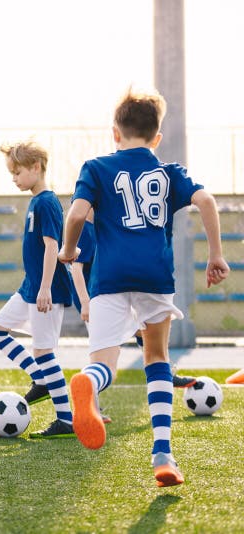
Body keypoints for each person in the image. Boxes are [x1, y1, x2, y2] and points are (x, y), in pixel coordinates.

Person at [59, 88, 230, 487]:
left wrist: (69, 251)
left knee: (104, 362)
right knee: (156, 357)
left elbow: (77, 214)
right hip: (155, 277)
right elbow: (206, 201)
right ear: (157, 137)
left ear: (115, 133)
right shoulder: (169, 172)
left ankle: (90, 381)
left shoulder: (97, 167)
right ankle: (162, 455)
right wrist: (215, 255)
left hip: (110, 278)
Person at [0, 141, 75, 439]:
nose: (14, 179)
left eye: (18, 172)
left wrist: (46, 287)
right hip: (30, 288)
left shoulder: (47, 202)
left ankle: (66, 419)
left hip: (44, 290)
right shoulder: (35, 201)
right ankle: (41, 379)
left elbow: (53, 247)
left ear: (36, 168)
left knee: (44, 352)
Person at [69, 208, 197, 393]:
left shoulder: (101, 229)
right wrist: (85, 302)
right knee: (105, 363)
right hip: (97, 302)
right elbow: (76, 268)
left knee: (142, 329)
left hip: (109, 297)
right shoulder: (86, 230)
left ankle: (166, 371)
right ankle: (89, 410)